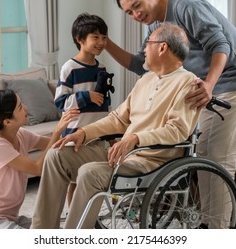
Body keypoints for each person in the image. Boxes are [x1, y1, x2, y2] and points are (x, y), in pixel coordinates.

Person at [106, 0, 236, 228]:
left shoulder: (186, 7)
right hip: (203, 85)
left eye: (136, 6)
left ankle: (219, 230)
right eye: (128, 13)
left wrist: (209, 85)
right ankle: (212, 222)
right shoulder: (154, 26)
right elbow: (140, 65)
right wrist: (105, 43)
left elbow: (221, 45)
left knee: (218, 158)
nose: (135, 14)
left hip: (235, 79)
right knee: (201, 155)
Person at [31, 23, 201, 229]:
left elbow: (177, 130)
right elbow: (118, 119)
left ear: (162, 48)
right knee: (56, 155)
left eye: (147, 44)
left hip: (151, 163)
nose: (144, 50)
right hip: (122, 156)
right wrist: (84, 133)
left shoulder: (188, 83)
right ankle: (41, 232)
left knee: (89, 172)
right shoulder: (145, 80)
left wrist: (135, 139)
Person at [0, 89, 79, 229]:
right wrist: (57, 131)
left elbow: (54, 143)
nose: (25, 107)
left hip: (9, 218)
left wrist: (82, 133)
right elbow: (38, 168)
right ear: (7, 122)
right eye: (19, 107)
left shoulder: (21, 135)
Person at [55, 13, 112, 205]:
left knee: (91, 177)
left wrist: (110, 131)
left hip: (97, 135)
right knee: (75, 179)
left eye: (104, 37)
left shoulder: (102, 67)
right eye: (95, 37)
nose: (101, 42)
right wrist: (86, 96)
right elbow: (61, 102)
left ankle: (88, 216)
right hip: (75, 135)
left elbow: (104, 103)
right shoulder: (69, 68)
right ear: (80, 39)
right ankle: (74, 217)